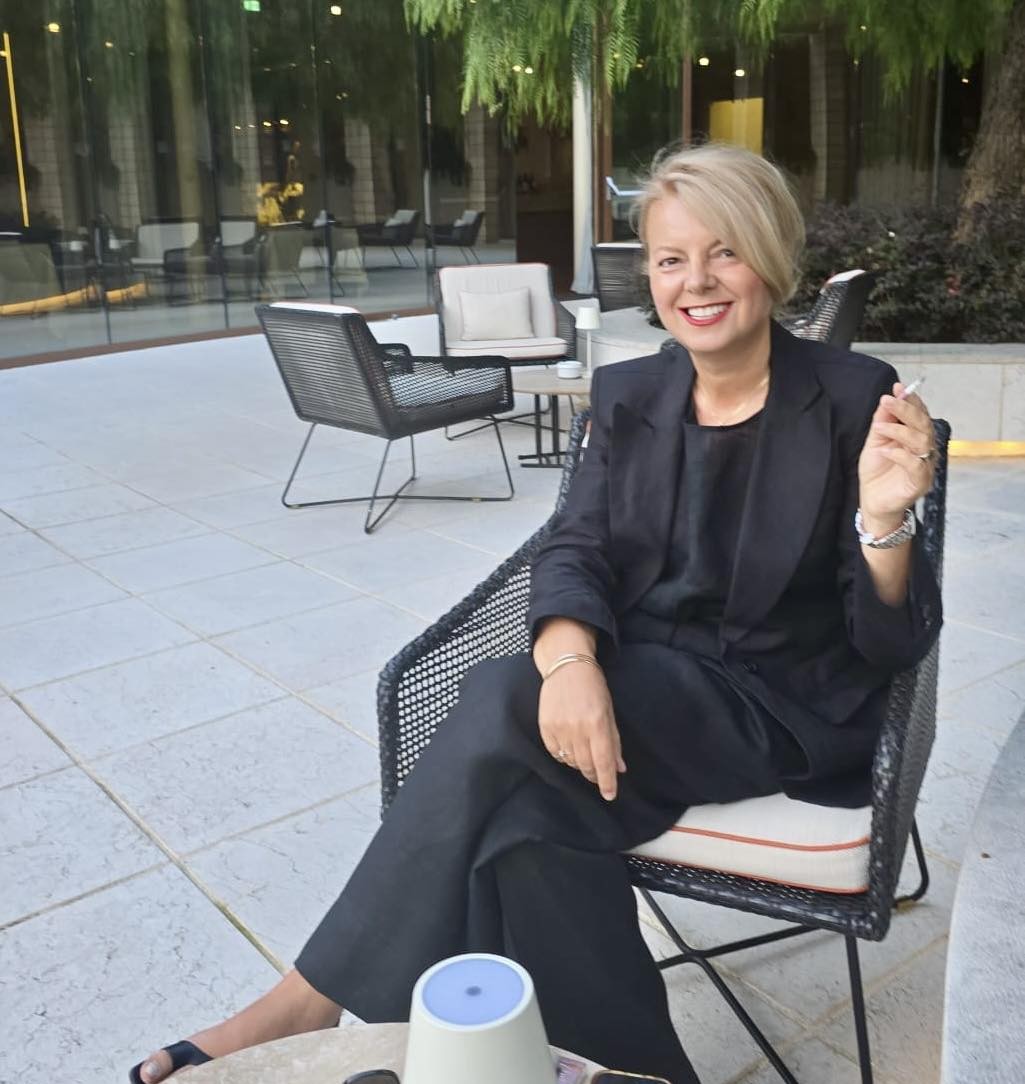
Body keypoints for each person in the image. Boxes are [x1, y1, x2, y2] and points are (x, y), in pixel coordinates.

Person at [130, 143, 941, 1084]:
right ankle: (619, 1071)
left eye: (724, 252)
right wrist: (572, 661)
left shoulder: (850, 396)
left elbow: (889, 640)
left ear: (769, 257)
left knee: (498, 697)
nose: (696, 281)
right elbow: (574, 545)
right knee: (523, 834)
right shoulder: (629, 394)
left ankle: (305, 1005)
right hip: (637, 680)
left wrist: (883, 524)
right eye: (671, 258)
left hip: (775, 701)